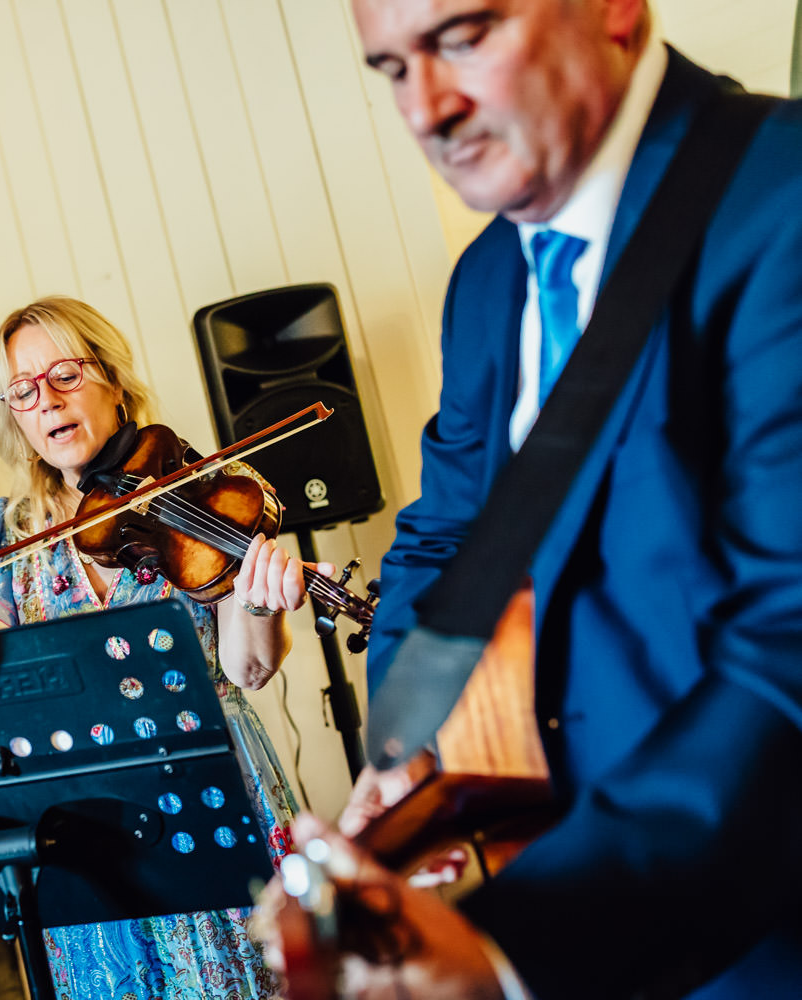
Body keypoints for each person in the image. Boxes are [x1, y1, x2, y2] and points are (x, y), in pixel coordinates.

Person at [261, 0, 802, 997]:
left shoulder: (783, 195)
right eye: (392, 69)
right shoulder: (486, 280)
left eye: (463, 38)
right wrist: (408, 747)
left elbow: (789, 647)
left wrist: (518, 948)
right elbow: (440, 539)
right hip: (552, 872)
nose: (425, 108)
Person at [0, 295, 326, 999]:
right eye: (23, 390)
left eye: (65, 375)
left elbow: (248, 668)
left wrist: (256, 600)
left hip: (204, 793)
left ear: (113, 380)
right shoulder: (11, 529)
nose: (47, 401)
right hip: (79, 814)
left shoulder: (209, 494)